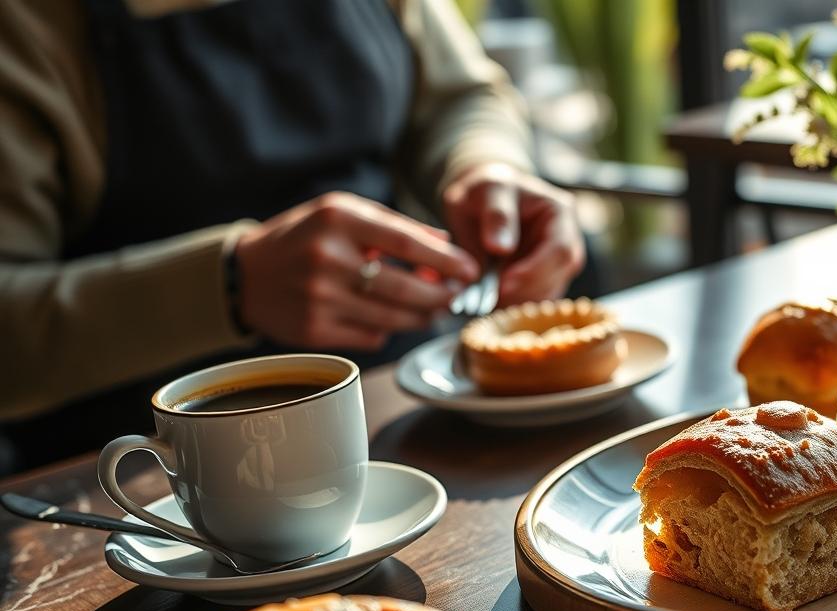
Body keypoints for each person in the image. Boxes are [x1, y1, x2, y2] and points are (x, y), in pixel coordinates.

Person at [0, 0, 585, 472]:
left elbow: (460, 97)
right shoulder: (29, 26)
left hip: (407, 417)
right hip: (144, 476)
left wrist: (484, 167)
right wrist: (229, 283)